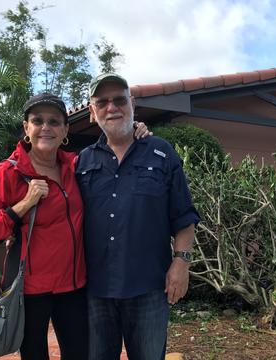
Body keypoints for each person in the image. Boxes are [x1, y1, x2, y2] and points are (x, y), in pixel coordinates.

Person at [0, 93, 151, 360]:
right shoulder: (9, 173)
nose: (46, 127)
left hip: (73, 287)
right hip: (30, 291)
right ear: (26, 128)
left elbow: (113, 156)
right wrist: (23, 205)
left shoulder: (76, 165)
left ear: (65, 130)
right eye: (38, 120)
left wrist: (132, 131)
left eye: (54, 122)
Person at [76, 73, 200, 360]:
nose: (112, 107)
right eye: (102, 102)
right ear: (92, 112)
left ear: (132, 104)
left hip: (149, 289)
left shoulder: (162, 153)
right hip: (95, 290)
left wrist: (181, 263)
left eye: (119, 100)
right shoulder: (82, 162)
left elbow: (184, 216)